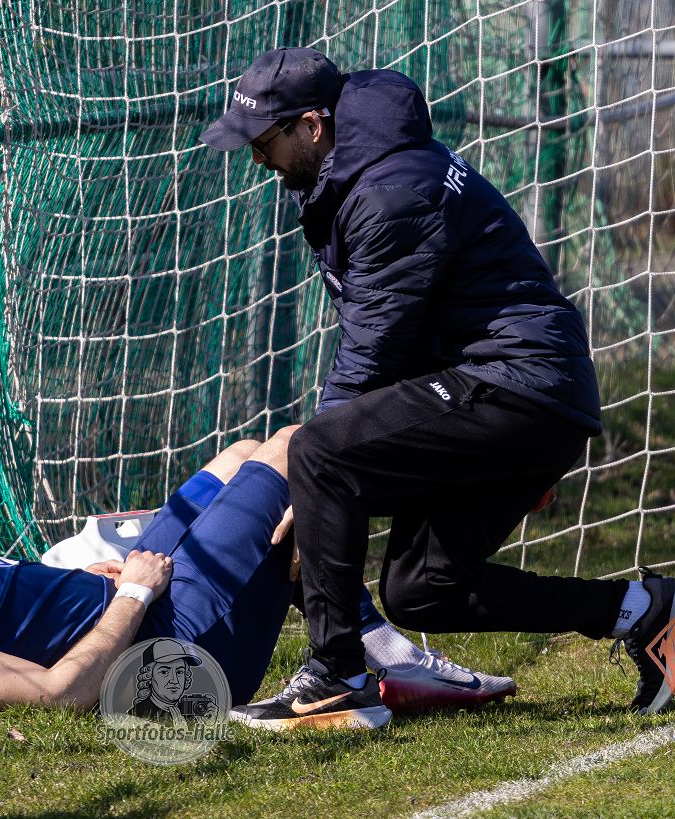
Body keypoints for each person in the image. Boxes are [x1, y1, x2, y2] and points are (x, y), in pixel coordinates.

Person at [200, 46, 674, 731]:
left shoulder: (390, 191)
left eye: (263, 142)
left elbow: (372, 352)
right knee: (422, 589)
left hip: (517, 382)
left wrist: (313, 483)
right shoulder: (356, 172)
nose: (257, 159)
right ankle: (642, 611)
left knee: (319, 453)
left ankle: (337, 674)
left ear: (311, 125)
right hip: (522, 393)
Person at [0, 430, 512, 719]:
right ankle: (378, 650)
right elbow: (61, 693)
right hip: (173, 641)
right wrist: (133, 595)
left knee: (237, 457)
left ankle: (364, 647)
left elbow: (5, 600)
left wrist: (86, 580)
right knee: (298, 452)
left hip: (123, 588)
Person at [127, 638, 218, 724]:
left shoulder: (190, 712)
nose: (174, 680)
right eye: (164, 672)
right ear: (149, 676)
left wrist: (210, 724)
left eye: (179, 672)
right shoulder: (137, 715)